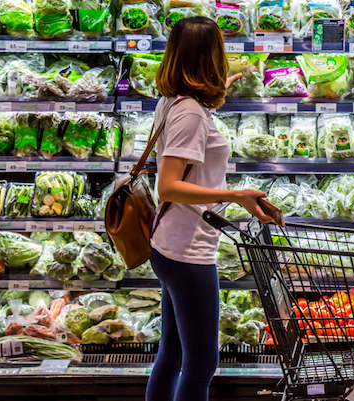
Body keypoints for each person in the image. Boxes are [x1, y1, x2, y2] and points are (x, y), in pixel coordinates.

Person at [146, 16, 273, 401]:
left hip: (170, 244)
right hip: (188, 252)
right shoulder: (190, 114)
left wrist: (235, 76)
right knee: (201, 363)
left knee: (172, 353)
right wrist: (234, 196)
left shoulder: (176, 99)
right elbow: (168, 184)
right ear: (209, 58)